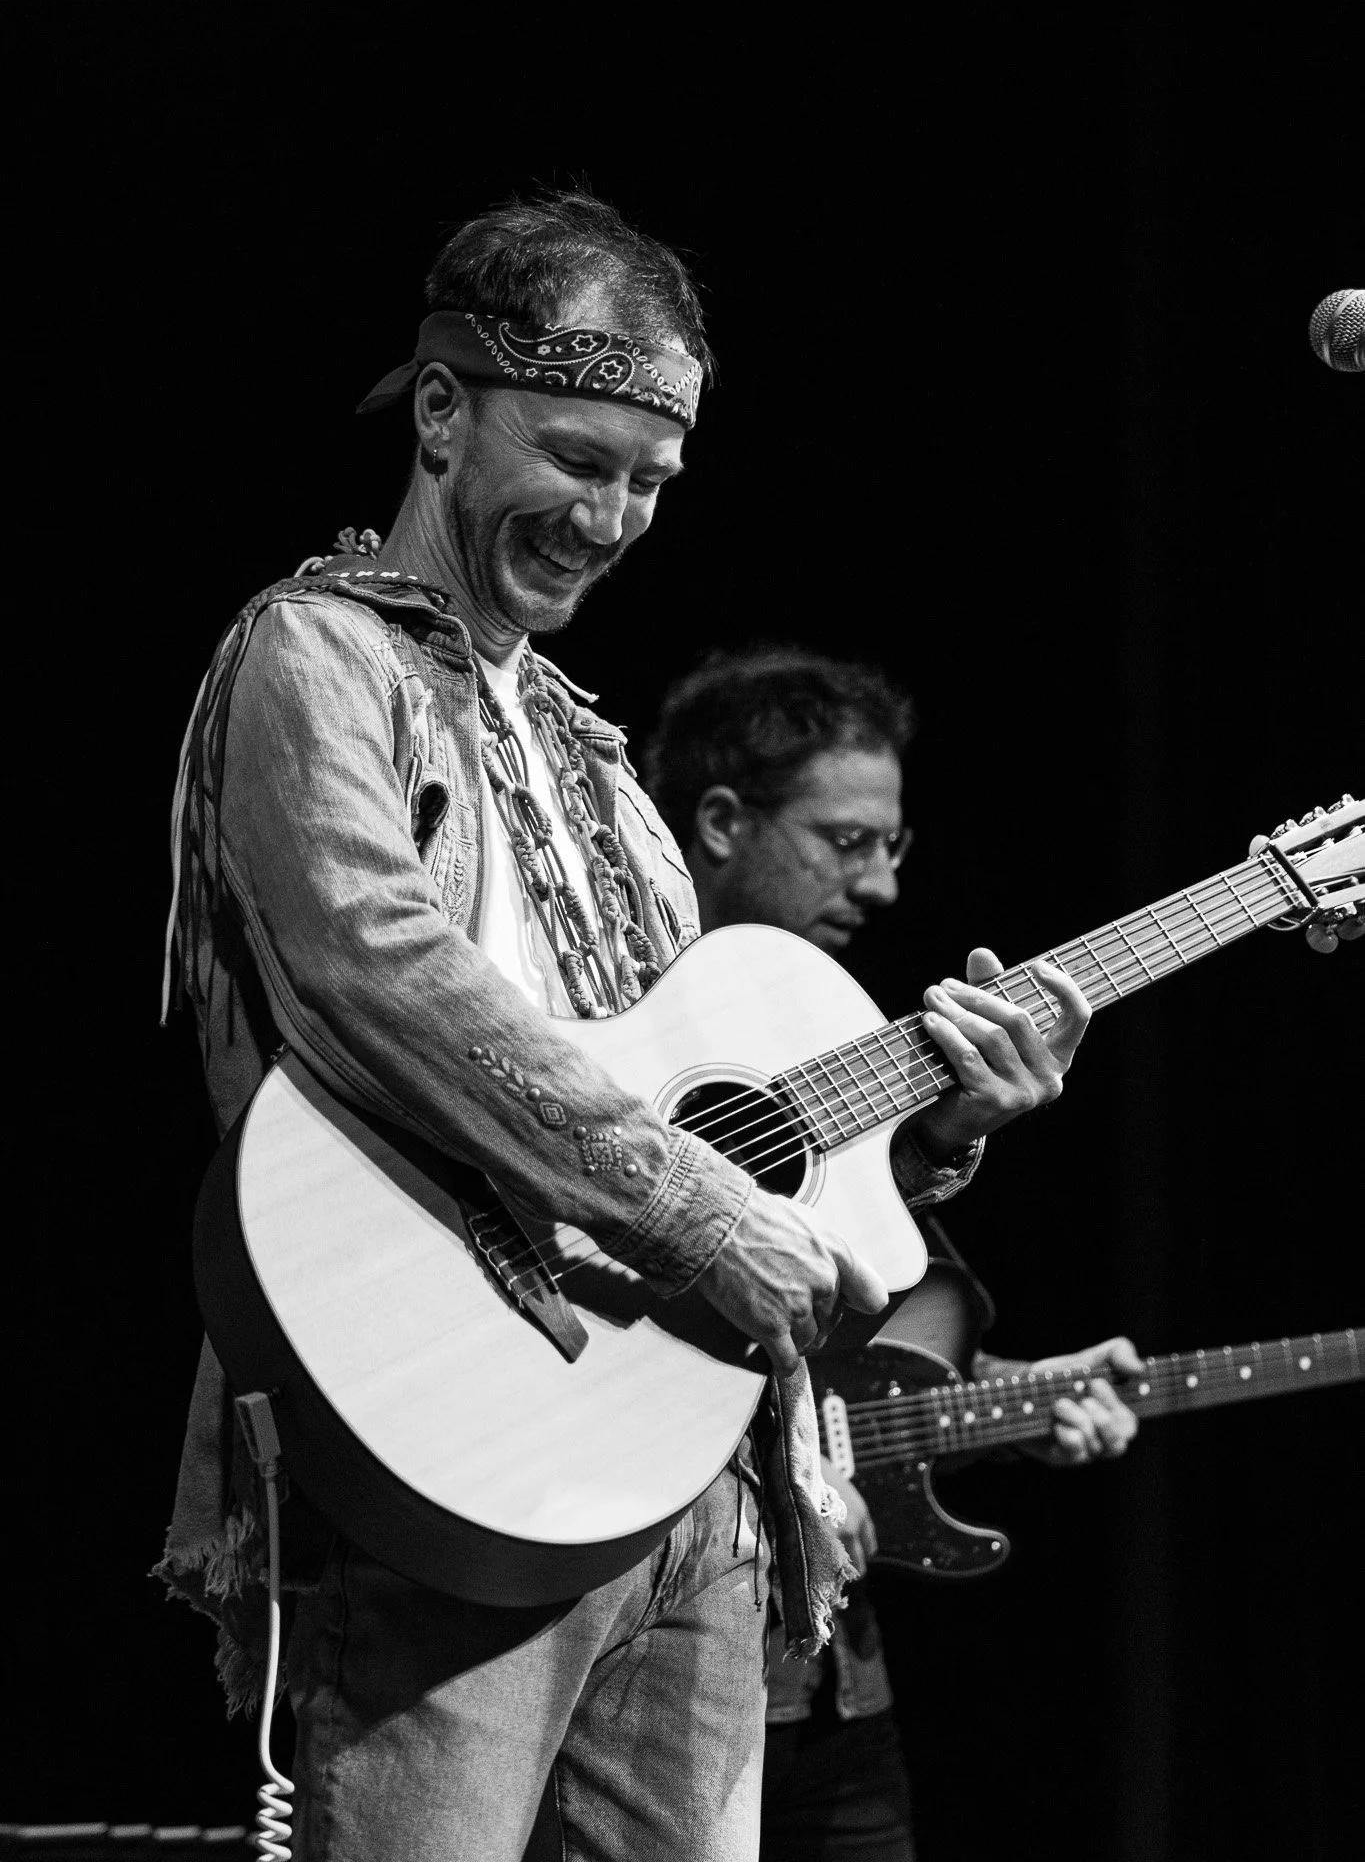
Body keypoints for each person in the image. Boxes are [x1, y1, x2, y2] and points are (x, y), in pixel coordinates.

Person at [156, 192, 1092, 1862]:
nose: (614, 514)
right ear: (443, 411)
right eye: (583, 457)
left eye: (652, 481)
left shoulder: (599, 764)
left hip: (694, 1457)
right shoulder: (317, 654)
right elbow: (376, 964)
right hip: (467, 1438)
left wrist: (944, 1121)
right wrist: (671, 1196)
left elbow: (710, 1108)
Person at [644, 645, 1142, 1862]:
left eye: (895, 846)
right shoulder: (624, 1046)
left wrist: (1021, 1394)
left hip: (833, 1684)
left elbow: (848, 1339)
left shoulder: (840, 1055)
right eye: (845, 838)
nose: (879, 883)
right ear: (719, 820)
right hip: (653, 1667)